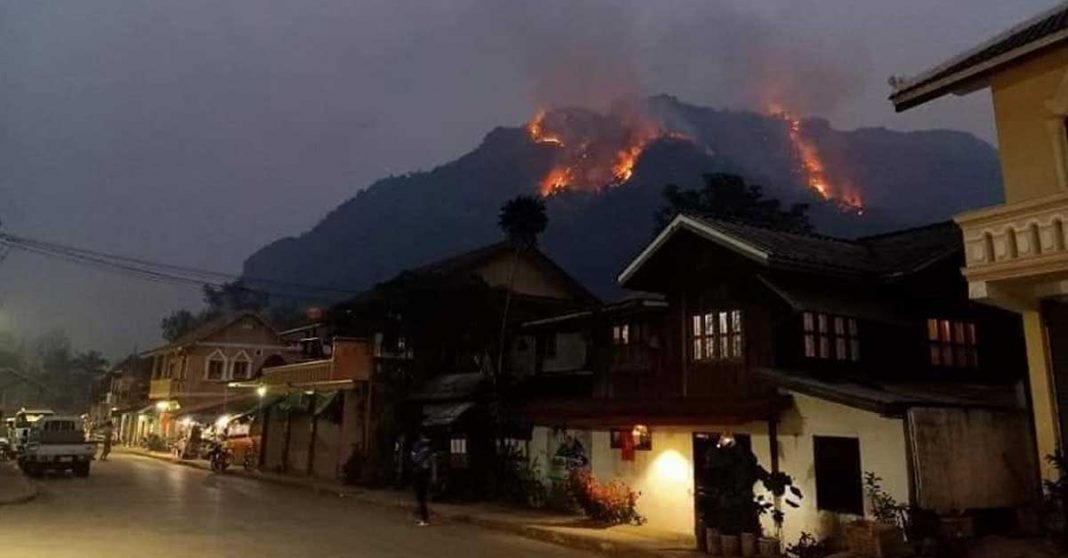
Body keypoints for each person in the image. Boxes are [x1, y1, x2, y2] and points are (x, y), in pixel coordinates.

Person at [409, 432, 432, 526]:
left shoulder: (424, 450)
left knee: (421, 497)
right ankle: (422, 517)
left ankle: (425, 518)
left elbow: (416, 459)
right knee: (420, 497)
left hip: (423, 474)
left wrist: (414, 455)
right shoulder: (423, 449)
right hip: (421, 473)